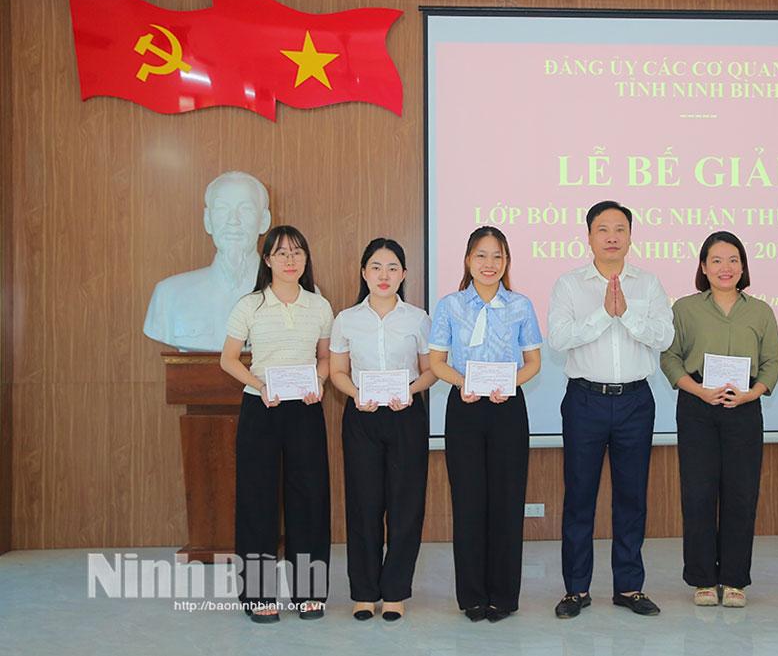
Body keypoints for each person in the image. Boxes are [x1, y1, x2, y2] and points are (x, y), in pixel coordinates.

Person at [548, 201, 674, 619]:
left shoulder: (648, 284)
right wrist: (604, 315)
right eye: (603, 229)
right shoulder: (569, 284)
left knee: (632, 497)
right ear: (589, 236)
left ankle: (629, 587)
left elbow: (664, 337)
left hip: (636, 400)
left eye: (620, 229)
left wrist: (628, 313)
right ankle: (576, 589)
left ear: (631, 236)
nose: (612, 237)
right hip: (585, 400)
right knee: (579, 497)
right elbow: (558, 339)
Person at [660, 231, 778, 608]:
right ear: (703, 266)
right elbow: (670, 357)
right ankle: (702, 579)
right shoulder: (684, 308)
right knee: (698, 494)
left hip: (743, 405)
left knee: (741, 494)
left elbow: (772, 361)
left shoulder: (761, 311)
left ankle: (734, 580)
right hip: (697, 406)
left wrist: (751, 393)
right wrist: (698, 391)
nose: (725, 268)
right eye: (716, 260)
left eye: (733, 260)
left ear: (743, 266)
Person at [219, 225, 334, 623]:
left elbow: (325, 358)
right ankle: (258, 595)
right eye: (281, 253)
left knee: (310, 500)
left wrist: (318, 382)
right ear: (267, 259)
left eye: (297, 252)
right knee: (257, 501)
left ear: (306, 259)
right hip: (261, 408)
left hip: (305, 409)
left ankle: (309, 592)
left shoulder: (319, 306)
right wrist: (259, 384)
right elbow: (228, 359)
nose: (290, 260)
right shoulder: (249, 305)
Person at [428, 226, 542, 623]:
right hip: (465, 408)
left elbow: (534, 363)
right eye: (481, 255)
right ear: (467, 260)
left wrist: (508, 384)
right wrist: (464, 383)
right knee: (468, 501)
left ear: (506, 262)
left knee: (507, 502)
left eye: (497, 256)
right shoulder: (450, 305)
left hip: (508, 408)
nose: (489, 264)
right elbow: (437, 362)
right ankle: (472, 596)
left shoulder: (521, 305)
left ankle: (504, 596)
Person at [328, 238, 436, 622]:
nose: (384, 275)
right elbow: (337, 371)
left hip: (406, 415)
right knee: (364, 504)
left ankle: (394, 592)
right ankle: (363, 592)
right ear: (364, 272)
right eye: (376, 267)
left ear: (404, 274)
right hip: (362, 416)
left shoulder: (418, 319)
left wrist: (410, 390)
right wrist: (356, 394)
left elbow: (431, 371)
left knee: (406, 505)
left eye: (392, 268)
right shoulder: (346, 319)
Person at [146, 171, 272, 350]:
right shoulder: (169, 295)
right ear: (208, 220)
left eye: (246, 209)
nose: (233, 221)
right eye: (222, 209)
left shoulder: (300, 296)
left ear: (264, 221)